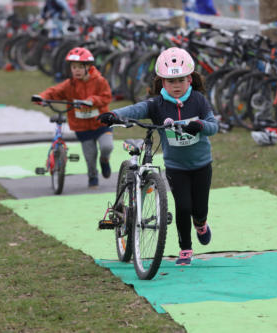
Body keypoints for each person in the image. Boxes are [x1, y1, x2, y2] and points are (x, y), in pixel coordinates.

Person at [98, 47, 219, 266]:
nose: (176, 85)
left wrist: (199, 125)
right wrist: (114, 115)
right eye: (170, 81)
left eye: (181, 80)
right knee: (182, 207)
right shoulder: (157, 104)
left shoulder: (199, 100)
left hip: (202, 164)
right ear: (162, 82)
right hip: (176, 167)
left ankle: (201, 224)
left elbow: (214, 126)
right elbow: (136, 110)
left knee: (199, 209)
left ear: (189, 79)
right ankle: (185, 249)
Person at [33, 47, 113, 188]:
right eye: (73, 67)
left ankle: (105, 160)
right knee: (90, 156)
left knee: (107, 146)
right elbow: (54, 92)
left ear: (88, 67)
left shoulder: (99, 81)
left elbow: (106, 97)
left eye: (80, 67)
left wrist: (92, 100)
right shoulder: (70, 84)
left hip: (101, 124)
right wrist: (42, 97)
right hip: (82, 128)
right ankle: (93, 177)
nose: (76, 70)